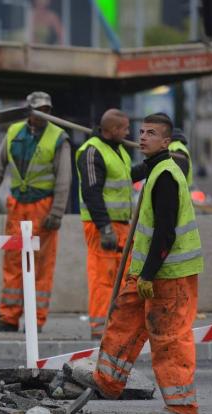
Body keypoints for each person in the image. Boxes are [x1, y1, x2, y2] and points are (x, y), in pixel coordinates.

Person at [75, 113, 204, 414]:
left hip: (168, 274)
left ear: (166, 141)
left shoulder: (166, 177)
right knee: (125, 318)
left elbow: (165, 232)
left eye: (152, 133)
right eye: (142, 131)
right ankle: (108, 381)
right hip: (146, 270)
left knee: (168, 337)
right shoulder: (155, 167)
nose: (143, 137)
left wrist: (148, 273)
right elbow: (141, 168)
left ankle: (182, 406)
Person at [0, 91, 72, 331]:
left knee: (41, 265)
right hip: (17, 206)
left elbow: (64, 179)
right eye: (40, 109)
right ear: (29, 111)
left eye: (47, 109)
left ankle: (35, 320)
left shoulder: (59, 138)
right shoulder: (13, 133)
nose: (44, 113)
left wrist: (57, 212)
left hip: (43, 207)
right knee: (12, 262)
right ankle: (8, 317)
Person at [75, 109, 134, 339]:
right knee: (103, 277)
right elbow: (91, 192)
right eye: (124, 128)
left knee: (120, 277)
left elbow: (126, 178)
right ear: (111, 130)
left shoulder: (117, 150)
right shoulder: (91, 152)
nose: (128, 132)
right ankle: (100, 328)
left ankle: (116, 325)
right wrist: (105, 227)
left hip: (120, 225)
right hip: (103, 225)